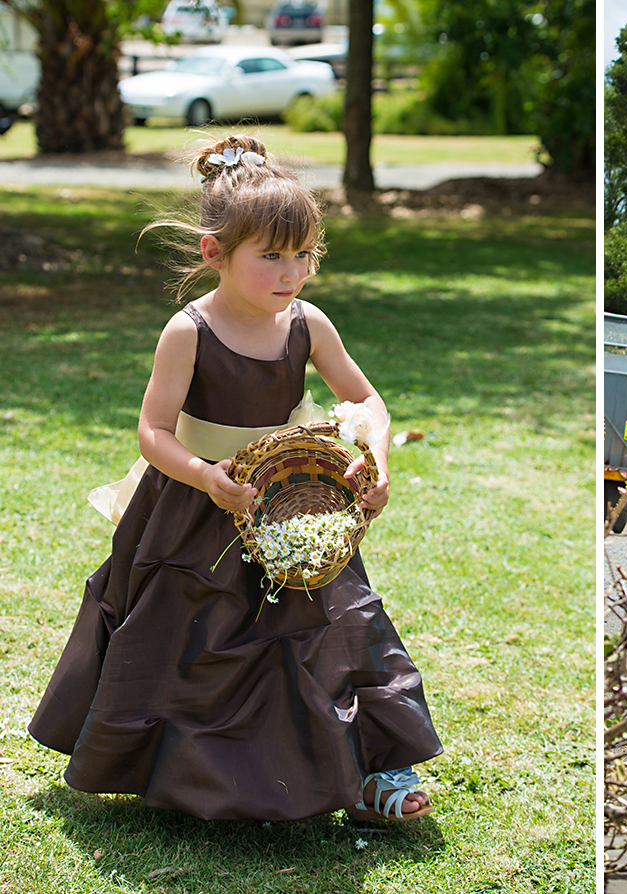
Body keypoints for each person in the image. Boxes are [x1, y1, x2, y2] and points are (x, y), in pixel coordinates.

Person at [28, 134, 443, 821]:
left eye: (304, 254)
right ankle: (190, 775)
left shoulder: (308, 324)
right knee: (197, 638)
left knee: (341, 623)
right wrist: (204, 476)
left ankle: (375, 774)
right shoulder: (189, 331)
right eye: (271, 256)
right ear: (215, 254)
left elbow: (367, 402)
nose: (291, 272)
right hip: (195, 507)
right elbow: (152, 433)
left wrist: (378, 456)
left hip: (292, 505)